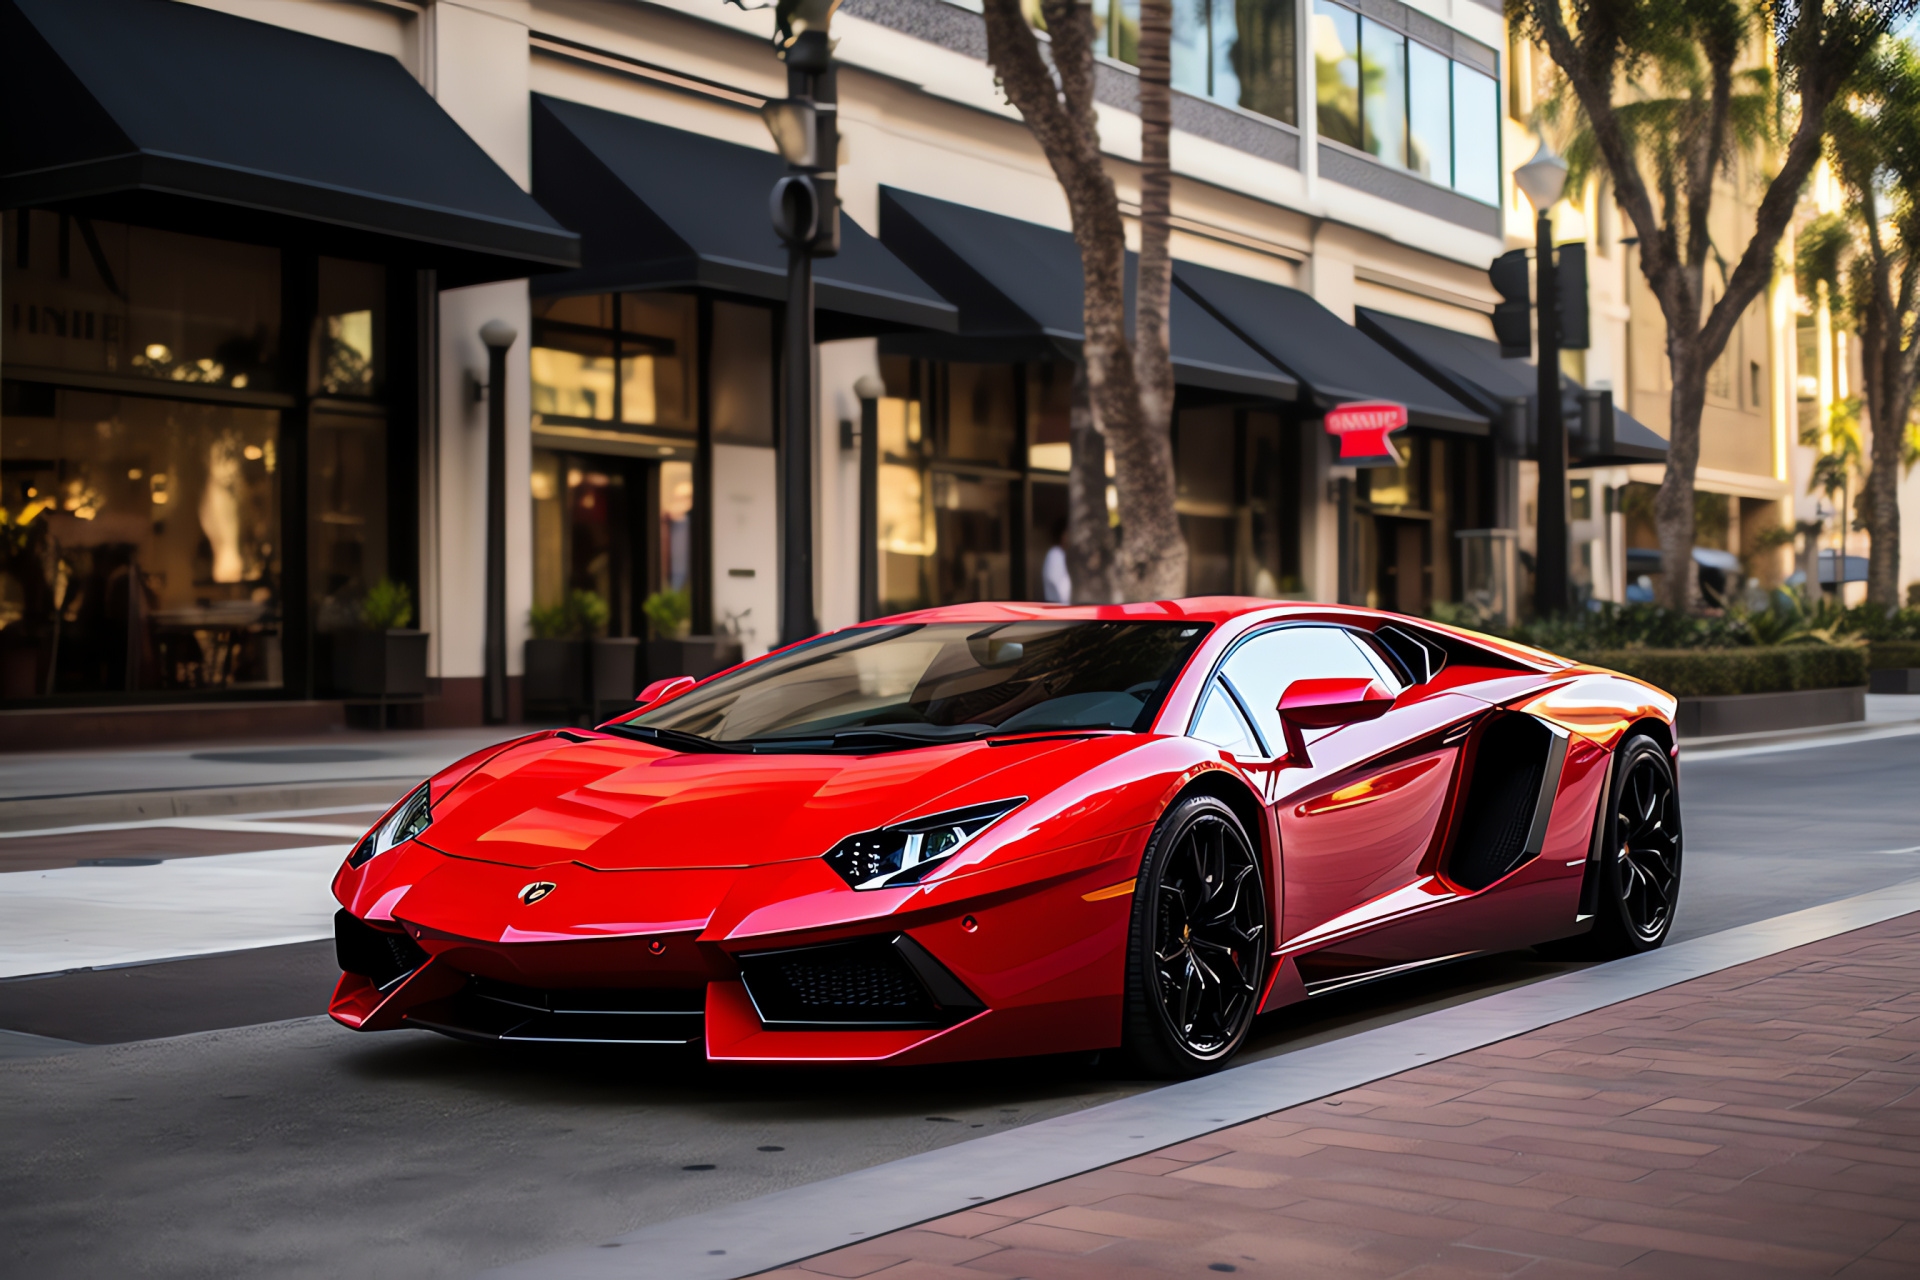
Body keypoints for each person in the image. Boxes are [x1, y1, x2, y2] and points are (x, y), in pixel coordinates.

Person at [1041, 519, 1072, 603]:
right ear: (1063, 535)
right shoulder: (1055, 555)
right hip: (1061, 612)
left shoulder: (1062, 555)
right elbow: (1064, 593)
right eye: (1070, 532)